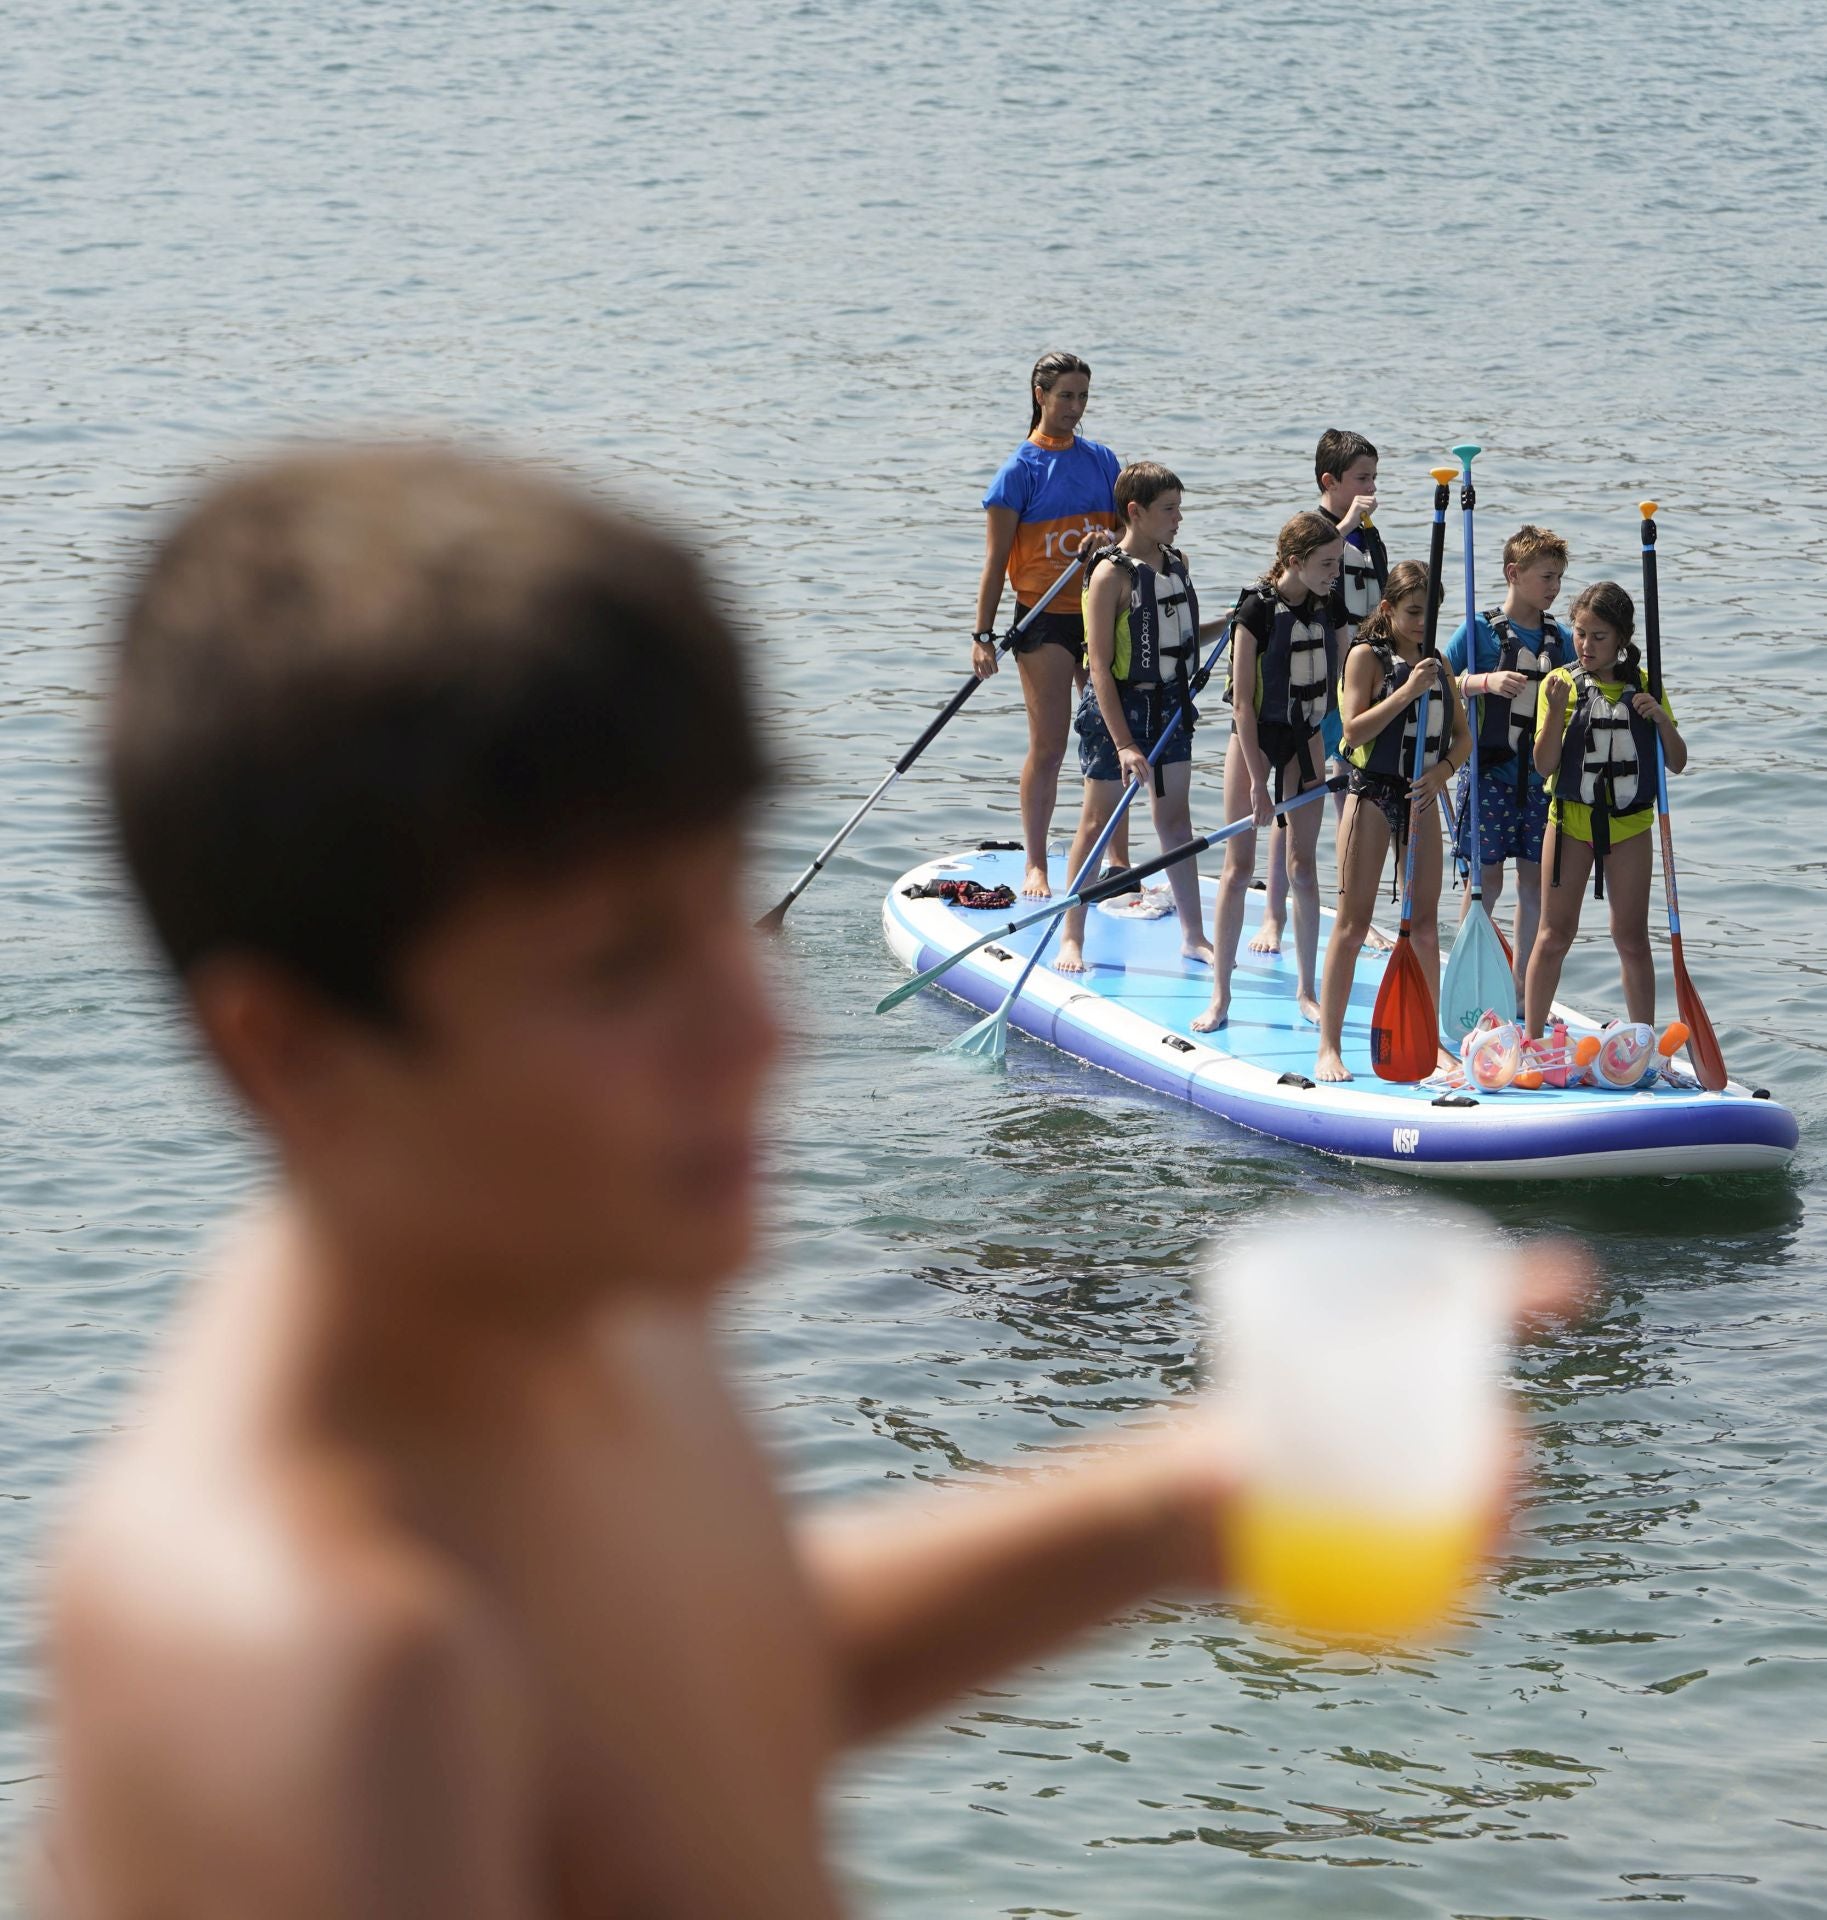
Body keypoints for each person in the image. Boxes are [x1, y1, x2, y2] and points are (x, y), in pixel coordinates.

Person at [40, 444, 1588, 1920]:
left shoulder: (545, 1312)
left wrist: (1165, 1514)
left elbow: (691, 1678)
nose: (756, 1024)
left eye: (720, 905)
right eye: (615, 967)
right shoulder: (332, 1681)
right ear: (292, 1055)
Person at [972, 350, 1125, 898]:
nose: (1075, 407)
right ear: (1040, 395)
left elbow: (1129, 535)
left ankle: (1117, 856)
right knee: (1052, 746)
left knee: (1112, 737)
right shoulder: (1019, 471)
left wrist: (1108, 541)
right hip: (1043, 619)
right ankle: (1036, 862)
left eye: (1083, 397)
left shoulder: (1104, 461)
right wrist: (983, 635)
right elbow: (994, 564)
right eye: (1065, 396)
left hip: (1102, 614)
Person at [1054, 464, 1217, 975]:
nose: (1178, 518)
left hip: (1170, 708)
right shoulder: (1109, 575)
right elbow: (1097, 666)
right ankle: (1071, 937)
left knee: (1176, 822)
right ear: (1136, 512)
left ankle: (1193, 935)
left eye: (1179, 507)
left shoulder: (1178, 564)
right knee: (1096, 822)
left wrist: (1236, 621)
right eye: (1169, 509)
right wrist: (1124, 743)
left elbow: (1186, 638)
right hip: (1116, 713)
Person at [1315, 563, 1470, 1082]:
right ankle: (1329, 1046)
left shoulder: (1439, 662)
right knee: (1353, 925)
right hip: (1372, 796)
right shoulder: (1365, 657)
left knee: (1424, 928)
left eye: (1431, 613)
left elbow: (1462, 736)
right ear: (1388, 610)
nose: (1423, 623)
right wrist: (1406, 691)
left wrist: (1443, 773)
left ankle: (1432, 1043)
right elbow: (1353, 732)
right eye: (1413, 612)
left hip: (1421, 798)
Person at [1194, 512, 1343, 1034]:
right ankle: (1221, 994)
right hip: (1254, 739)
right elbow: (1242, 706)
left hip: (1305, 740)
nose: (1334, 573)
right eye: (1326, 564)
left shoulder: (1329, 605)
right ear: (1296, 562)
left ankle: (1307, 991)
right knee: (1238, 868)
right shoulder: (1255, 609)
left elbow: (1341, 682)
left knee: (1304, 869)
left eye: (1339, 563)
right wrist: (1258, 783)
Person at [1523, 580, 1684, 1038]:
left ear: (1621, 639)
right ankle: (1533, 1039)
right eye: (1579, 634)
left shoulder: (1644, 687)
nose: (1586, 645)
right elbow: (1543, 765)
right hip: (1569, 824)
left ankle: (1641, 1042)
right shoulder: (1558, 684)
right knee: (1554, 936)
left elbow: (1677, 761)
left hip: (1629, 828)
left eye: (1598, 636)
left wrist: (1660, 719)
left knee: (1630, 938)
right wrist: (1553, 713)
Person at [1250, 429, 1384, 958]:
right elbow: (1286, 596)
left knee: (1352, 798)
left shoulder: (1367, 535)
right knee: (1294, 804)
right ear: (1330, 482)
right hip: (1312, 690)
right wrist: (1346, 528)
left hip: (1358, 680)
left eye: (1375, 476)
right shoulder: (1316, 533)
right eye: (1361, 478)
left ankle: (1355, 914)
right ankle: (1273, 914)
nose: (1372, 488)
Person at [1445, 524, 1572, 1008]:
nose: (1554, 587)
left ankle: (1522, 988)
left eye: (1559, 578)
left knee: (1533, 883)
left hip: (1541, 783)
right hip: (1489, 778)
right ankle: (1469, 976)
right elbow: (1439, 678)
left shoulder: (1559, 639)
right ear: (1513, 574)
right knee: (1486, 882)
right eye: (1546, 577)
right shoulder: (1478, 629)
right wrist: (1484, 681)